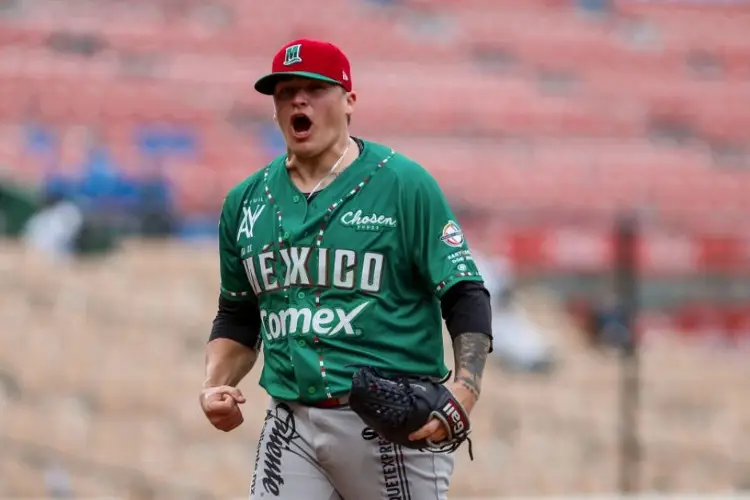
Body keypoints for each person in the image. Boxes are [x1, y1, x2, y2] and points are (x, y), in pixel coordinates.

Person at [199, 38, 493, 500]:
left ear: (349, 100)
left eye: (315, 88)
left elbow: (464, 292)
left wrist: (466, 389)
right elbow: (237, 314)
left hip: (394, 426)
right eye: (285, 90)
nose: (298, 99)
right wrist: (215, 384)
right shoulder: (245, 202)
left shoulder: (402, 184)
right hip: (291, 421)